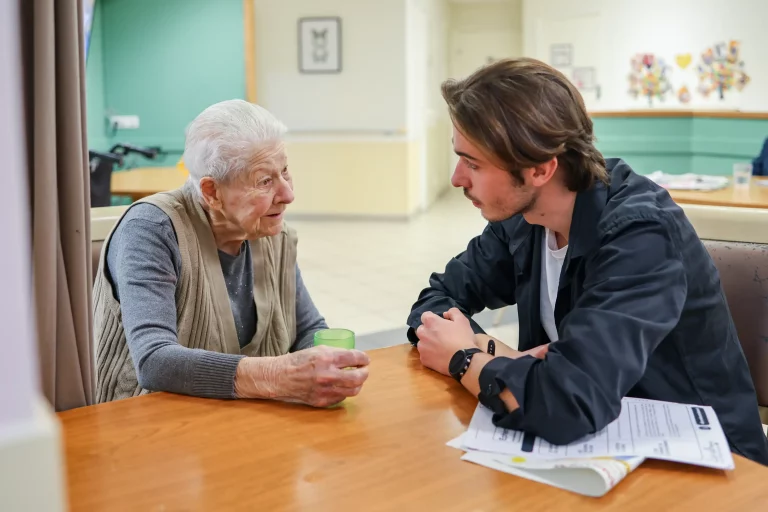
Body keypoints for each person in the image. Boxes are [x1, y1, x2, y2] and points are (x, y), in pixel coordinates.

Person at [406, 58, 768, 465]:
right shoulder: (524, 220)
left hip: (704, 463)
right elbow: (436, 300)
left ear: (541, 169)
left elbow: (567, 403)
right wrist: (493, 352)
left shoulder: (641, 234)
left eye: (473, 164)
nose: (457, 178)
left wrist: (465, 358)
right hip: (590, 447)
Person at [93, 99, 369, 406]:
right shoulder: (151, 229)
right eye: (265, 181)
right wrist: (277, 375)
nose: (288, 195)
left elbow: (307, 329)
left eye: (285, 171)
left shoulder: (270, 232)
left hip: (243, 421)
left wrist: (326, 369)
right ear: (212, 192)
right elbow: (155, 360)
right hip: (149, 425)